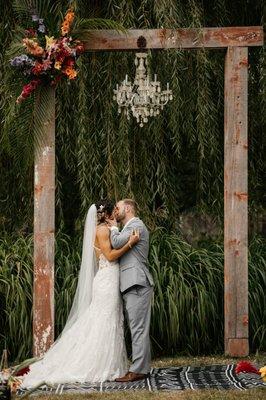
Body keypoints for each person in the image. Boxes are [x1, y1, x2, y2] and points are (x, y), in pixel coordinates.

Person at [21, 200, 139, 388]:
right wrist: (130, 244)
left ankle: (110, 363)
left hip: (109, 278)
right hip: (107, 280)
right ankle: (95, 364)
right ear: (107, 214)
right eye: (113, 211)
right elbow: (109, 256)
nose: (116, 213)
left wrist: (116, 230)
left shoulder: (104, 228)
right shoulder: (101, 230)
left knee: (109, 320)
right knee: (103, 320)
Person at [107, 199, 154, 382]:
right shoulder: (131, 226)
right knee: (138, 327)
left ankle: (138, 370)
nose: (115, 211)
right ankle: (142, 367)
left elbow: (117, 243)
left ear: (127, 209)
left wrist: (112, 227)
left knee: (138, 328)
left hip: (137, 282)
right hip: (132, 283)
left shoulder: (136, 226)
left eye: (117, 208)